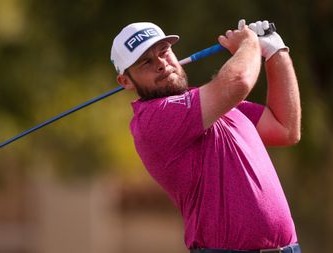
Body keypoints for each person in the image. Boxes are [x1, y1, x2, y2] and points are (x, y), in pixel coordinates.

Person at [110, 20, 301, 252]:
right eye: (145, 62)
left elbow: (286, 128)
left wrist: (275, 52)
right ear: (125, 81)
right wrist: (248, 43)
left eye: (164, 51)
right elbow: (238, 81)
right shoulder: (152, 119)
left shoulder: (213, 104)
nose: (161, 64)